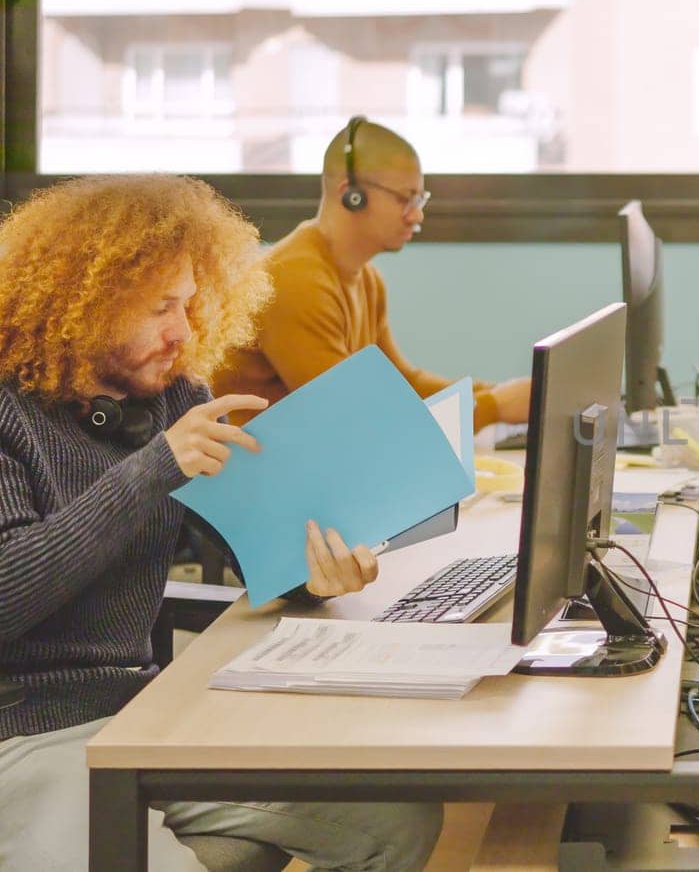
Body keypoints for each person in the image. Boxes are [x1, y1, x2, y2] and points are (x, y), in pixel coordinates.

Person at [0, 175, 442, 870]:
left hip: (140, 712)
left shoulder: (176, 397)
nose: (182, 332)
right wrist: (152, 469)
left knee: (390, 816)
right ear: (76, 306)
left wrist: (310, 576)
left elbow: (243, 549)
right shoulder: (10, 412)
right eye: (158, 309)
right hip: (18, 733)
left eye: (190, 303)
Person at [212, 116, 531, 429]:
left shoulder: (366, 279)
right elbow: (354, 415)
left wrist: (496, 394)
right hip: (255, 471)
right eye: (405, 199)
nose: (416, 214)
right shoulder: (295, 280)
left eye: (420, 199)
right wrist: (494, 408)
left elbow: (400, 382)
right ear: (351, 195)